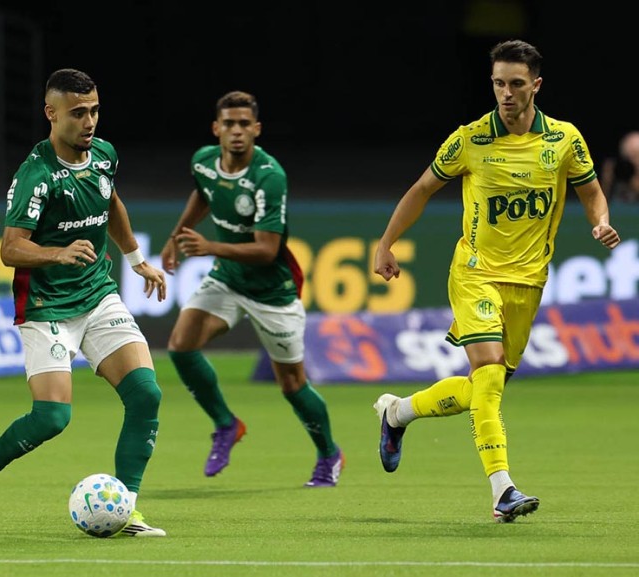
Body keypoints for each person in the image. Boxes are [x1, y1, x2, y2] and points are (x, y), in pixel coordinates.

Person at [371, 39, 620, 523]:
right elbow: (422, 189)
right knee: (487, 372)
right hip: (475, 273)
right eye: (499, 83)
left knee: (484, 389)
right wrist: (386, 244)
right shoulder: (470, 139)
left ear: (536, 86)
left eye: (516, 84)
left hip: (528, 283)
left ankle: (398, 412)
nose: (506, 93)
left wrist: (600, 221)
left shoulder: (564, 140)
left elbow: (591, 191)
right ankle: (503, 489)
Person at [0, 68, 168, 537]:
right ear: (51, 114)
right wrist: (58, 253)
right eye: (77, 113)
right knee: (52, 417)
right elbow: (11, 248)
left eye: (94, 110)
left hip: (97, 294)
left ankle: (126, 508)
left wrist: (137, 260)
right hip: (46, 305)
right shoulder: (36, 176)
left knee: (146, 394)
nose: (89, 121)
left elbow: (111, 203)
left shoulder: (104, 155)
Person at [159, 91, 344, 487]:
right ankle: (226, 424)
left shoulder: (268, 176)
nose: (237, 131)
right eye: (229, 123)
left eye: (245, 124)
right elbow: (204, 193)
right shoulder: (203, 161)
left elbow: (266, 250)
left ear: (257, 129)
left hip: (272, 290)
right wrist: (177, 236)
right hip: (228, 277)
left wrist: (209, 247)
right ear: (216, 128)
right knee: (181, 345)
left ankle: (329, 452)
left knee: (292, 384)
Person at [599, 131, 639, 204]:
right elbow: (602, 203)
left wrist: (632, 180)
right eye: (629, 156)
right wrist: (607, 180)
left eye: (636, 155)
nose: (633, 161)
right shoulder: (618, 178)